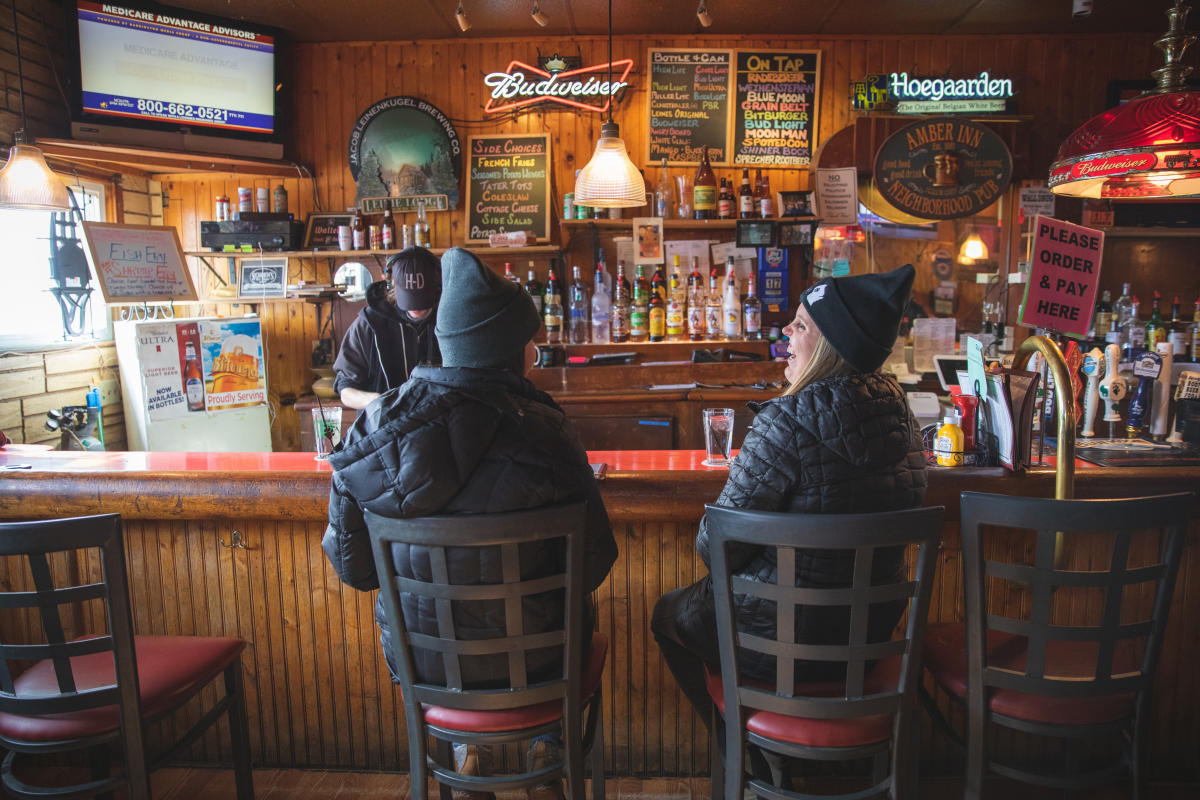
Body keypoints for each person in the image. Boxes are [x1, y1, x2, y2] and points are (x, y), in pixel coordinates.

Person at [322, 247, 618, 800]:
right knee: (577, 610)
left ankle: (464, 753)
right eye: (527, 340)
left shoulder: (374, 432)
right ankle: (549, 749)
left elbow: (354, 569)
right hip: (542, 666)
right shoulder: (547, 432)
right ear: (511, 353)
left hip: (425, 665)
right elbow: (596, 561)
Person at [651, 263, 927, 732]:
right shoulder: (903, 418)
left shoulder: (785, 422)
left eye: (800, 324)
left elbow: (715, 546)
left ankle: (745, 754)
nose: (785, 330)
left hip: (773, 649)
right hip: (867, 643)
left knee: (666, 615)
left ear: (828, 346)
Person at [333, 246, 442, 410]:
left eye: (422, 299)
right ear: (392, 287)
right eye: (409, 299)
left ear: (437, 288)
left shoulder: (449, 322)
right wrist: (379, 400)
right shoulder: (368, 324)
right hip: (382, 426)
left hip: (437, 423)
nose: (416, 308)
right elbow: (345, 390)